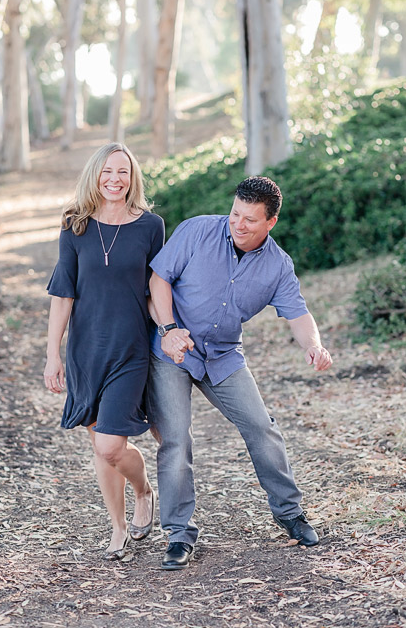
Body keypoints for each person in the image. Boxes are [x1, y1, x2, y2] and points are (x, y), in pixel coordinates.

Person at [147, 176, 333, 571]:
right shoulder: (196, 230)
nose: (238, 224)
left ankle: (290, 513)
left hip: (223, 356)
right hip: (172, 350)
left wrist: (313, 346)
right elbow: (158, 279)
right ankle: (179, 533)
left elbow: (299, 315)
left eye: (250, 219)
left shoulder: (278, 266)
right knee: (176, 440)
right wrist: (167, 330)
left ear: (271, 222)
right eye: (235, 214)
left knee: (262, 427)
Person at [44, 142, 166, 560]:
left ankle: (143, 490)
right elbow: (63, 294)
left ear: (133, 178)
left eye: (124, 172)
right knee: (100, 445)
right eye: (107, 172)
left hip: (130, 348)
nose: (115, 180)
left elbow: (155, 287)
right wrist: (52, 354)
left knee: (111, 445)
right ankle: (117, 528)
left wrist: (168, 327)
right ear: (95, 175)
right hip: (85, 351)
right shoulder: (74, 225)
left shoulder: (151, 226)